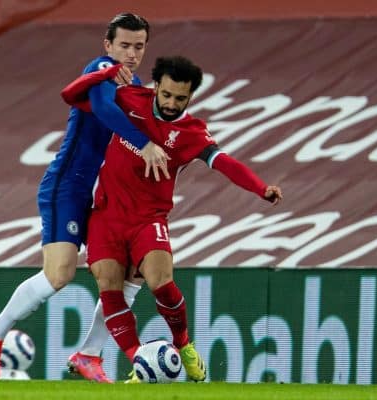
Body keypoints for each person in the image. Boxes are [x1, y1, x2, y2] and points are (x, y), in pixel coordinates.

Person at [60, 56, 283, 382]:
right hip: (106, 215)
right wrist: (104, 73)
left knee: (160, 282)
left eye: (180, 98)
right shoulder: (128, 99)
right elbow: (71, 95)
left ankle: (184, 345)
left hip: (149, 218)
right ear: (156, 87)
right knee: (109, 288)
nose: (171, 103)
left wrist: (261, 188)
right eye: (166, 95)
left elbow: (224, 163)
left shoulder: (192, 131)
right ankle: (141, 362)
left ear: (190, 96)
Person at [0, 13, 171, 382]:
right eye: (125, 45)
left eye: (139, 46)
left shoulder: (135, 84)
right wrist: (143, 143)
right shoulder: (100, 69)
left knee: (128, 273)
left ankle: (89, 353)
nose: (131, 54)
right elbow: (102, 109)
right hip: (67, 185)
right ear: (108, 45)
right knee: (59, 275)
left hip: (99, 194)